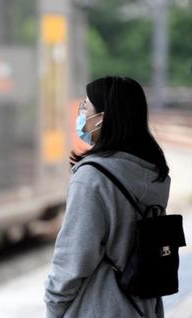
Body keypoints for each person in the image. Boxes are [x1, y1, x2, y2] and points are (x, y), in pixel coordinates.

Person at [44, 76, 170, 318]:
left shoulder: (91, 178)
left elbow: (73, 259)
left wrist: (53, 307)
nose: (81, 113)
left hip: (98, 308)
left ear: (102, 118)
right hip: (144, 307)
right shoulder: (156, 173)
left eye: (86, 107)